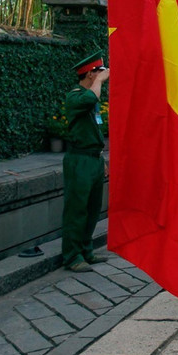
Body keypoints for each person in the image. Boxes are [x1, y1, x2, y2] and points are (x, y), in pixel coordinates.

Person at [62, 51, 110, 272]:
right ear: (90, 74)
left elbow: (96, 127)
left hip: (93, 159)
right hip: (79, 159)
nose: (103, 75)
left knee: (92, 209)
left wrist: (102, 159)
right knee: (77, 209)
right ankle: (72, 256)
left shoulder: (90, 94)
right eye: (99, 71)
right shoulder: (76, 96)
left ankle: (86, 250)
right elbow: (91, 98)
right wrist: (98, 83)